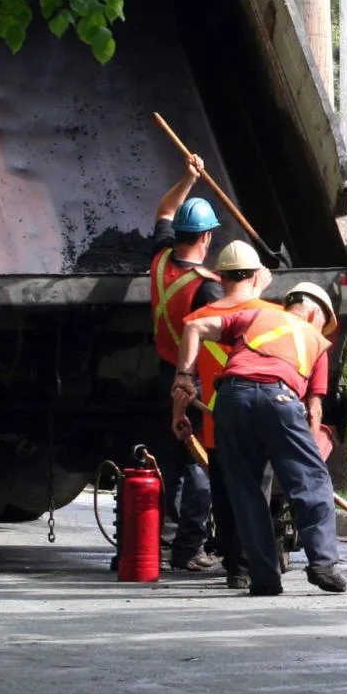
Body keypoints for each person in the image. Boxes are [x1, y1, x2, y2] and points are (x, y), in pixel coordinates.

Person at [171, 282, 346, 596]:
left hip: (230, 401)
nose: (323, 330)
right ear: (312, 311)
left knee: (247, 494)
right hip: (279, 399)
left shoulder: (254, 317)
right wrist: (310, 461)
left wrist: (184, 377)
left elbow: (194, 326)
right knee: (312, 483)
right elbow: (314, 409)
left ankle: (264, 578)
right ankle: (323, 564)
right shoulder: (316, 341)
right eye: (323, 322)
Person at [179, 240, 279, 589]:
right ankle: (252, 564)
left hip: (217, 422)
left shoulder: (198, 320)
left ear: (219, 279)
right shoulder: (270, 315)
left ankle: (235, 567)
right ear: (254, 276)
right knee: (257, 493)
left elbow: (183, 382)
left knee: (225, 495)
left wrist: (179, 414)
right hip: (262, 420)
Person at [149, 154, 224, 571]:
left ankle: (159, 543)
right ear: (208, 238)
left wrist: (188, 179)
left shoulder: (159, 259)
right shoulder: (207, 290)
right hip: (192, 381)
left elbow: (164, 209)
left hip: (162, 370)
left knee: (168, 461)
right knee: (199, 464)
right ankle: (188, 549)